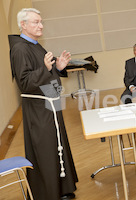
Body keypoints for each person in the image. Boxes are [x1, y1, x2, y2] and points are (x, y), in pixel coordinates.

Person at [8, 8, 78, 200]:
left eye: (41, 22)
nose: (41, 26)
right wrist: (47, 68)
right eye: (36, 22)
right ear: (23, 24)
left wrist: (57, 68)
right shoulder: (20, 49)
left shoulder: (35, 45)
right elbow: (24, 82)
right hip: (39, 108)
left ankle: (62, 187)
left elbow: (45, 73)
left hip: (50, 104)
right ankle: (49, 193)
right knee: (45, 148)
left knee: (57, 144)